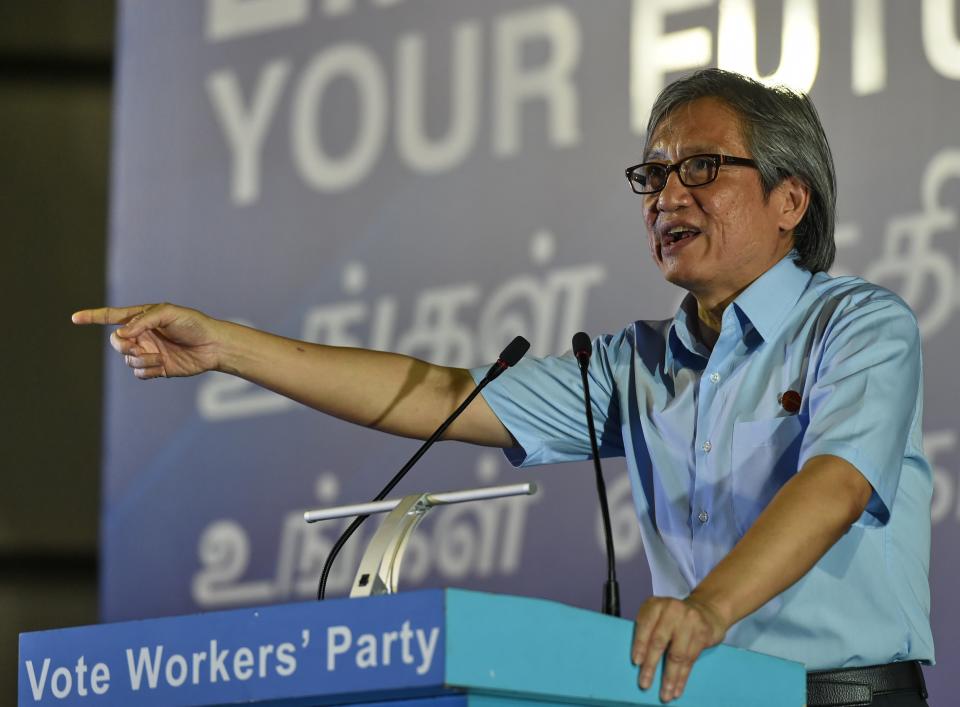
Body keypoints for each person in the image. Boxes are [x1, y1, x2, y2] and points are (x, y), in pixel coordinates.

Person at [73, 69, 933, 706]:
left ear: (791, 199)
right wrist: (226, 346)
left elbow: (835, 484)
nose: (668, 194)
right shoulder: (636, 364)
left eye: (701, 169)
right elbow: (435, 395)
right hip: (701, 693)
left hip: (844, 694)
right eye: (653, 174)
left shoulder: (858, 326)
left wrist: (706, 609)